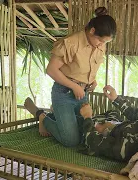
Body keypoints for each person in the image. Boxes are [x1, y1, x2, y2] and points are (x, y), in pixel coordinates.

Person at [25, 7, 117, 147]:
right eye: (101, 41)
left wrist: (92, 79)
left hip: (82, 93)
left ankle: (57, 116)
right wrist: (74, 86)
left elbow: (86, 66)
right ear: (92, 31)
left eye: (105, 43)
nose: (102, 45)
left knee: (84, 133)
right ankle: (43, 118)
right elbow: (51, 70)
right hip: (63, 93)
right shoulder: (71, 43)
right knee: (71, 140)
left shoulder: (99, 44)